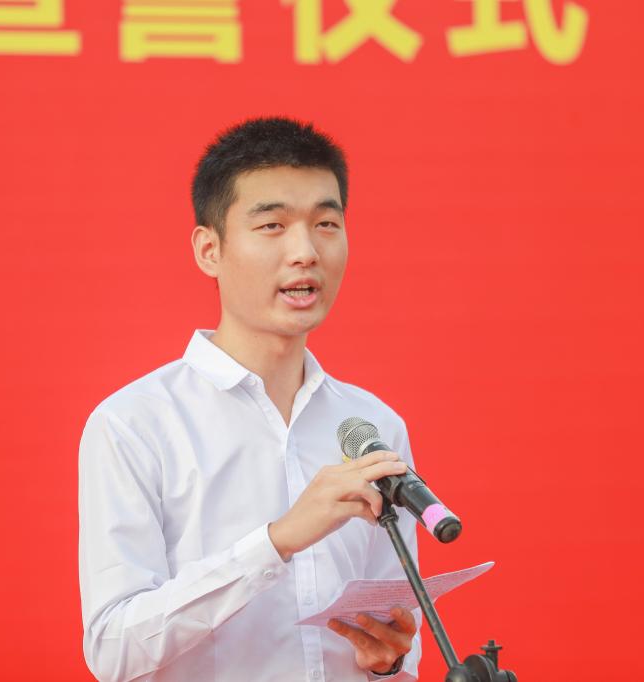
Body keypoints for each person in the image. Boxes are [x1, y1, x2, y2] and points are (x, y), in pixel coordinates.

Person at [78, 116, 422, 681]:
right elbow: (114, 648)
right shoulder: (134, 424)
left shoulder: (373, 424)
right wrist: (276, 542)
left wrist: (389, 661)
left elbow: (395, 634)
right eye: (272, 226)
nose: (305, 251)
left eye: (326, 223)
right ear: (209, 250)